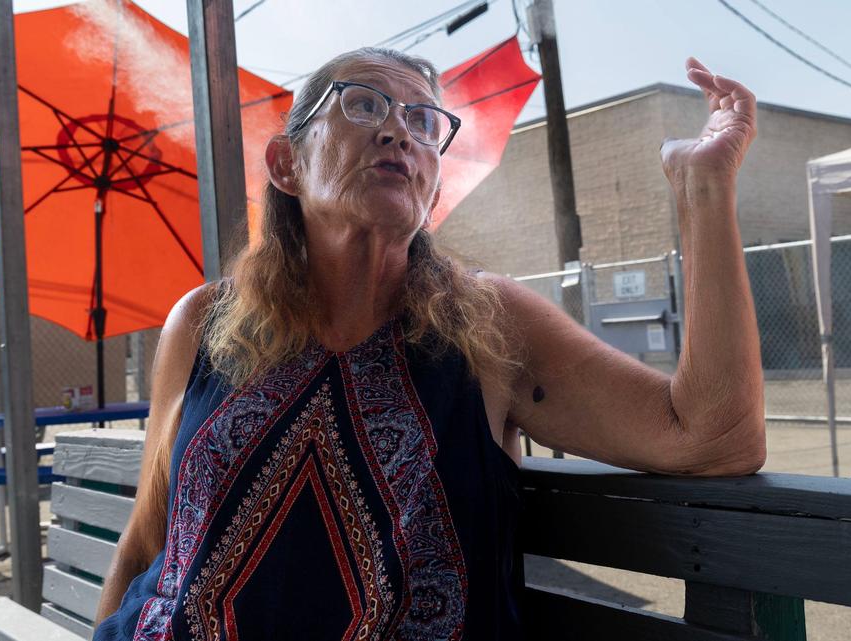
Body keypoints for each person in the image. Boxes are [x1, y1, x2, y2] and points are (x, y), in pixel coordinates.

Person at [93, 47, 764, 641]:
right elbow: (146, 543)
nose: (398, 130)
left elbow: (710, 435)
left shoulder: (489, 326)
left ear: (433, 186)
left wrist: (704, 189)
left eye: (422, 122)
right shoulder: (203, 321)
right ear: (286, 163)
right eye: (362, 103)